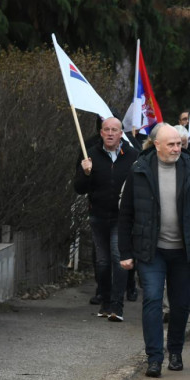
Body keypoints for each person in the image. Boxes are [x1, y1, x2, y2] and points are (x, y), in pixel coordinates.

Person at [117, 125, 190, 378]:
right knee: (151, 299)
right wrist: (125, 252)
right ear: (156, 145)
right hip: (151, 249)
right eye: (171, 144)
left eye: (179, 144)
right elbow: (126, 213)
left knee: (180, 304)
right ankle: (154, 357)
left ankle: (175, 351)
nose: (176, 148)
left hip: (183, 250)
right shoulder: (140, 170)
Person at [74, 117, 139, 319]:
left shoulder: (132, 156)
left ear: (121, 134)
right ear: (101, 133)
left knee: (119, 258)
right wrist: (85, 173)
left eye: (114, 130)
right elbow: (79, 188)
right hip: (98, 215)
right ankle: (105, 301)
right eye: (107, 129)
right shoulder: (90, 154)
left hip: (122, 217)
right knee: (102, 261)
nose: (110, 133)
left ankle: (117, 306)